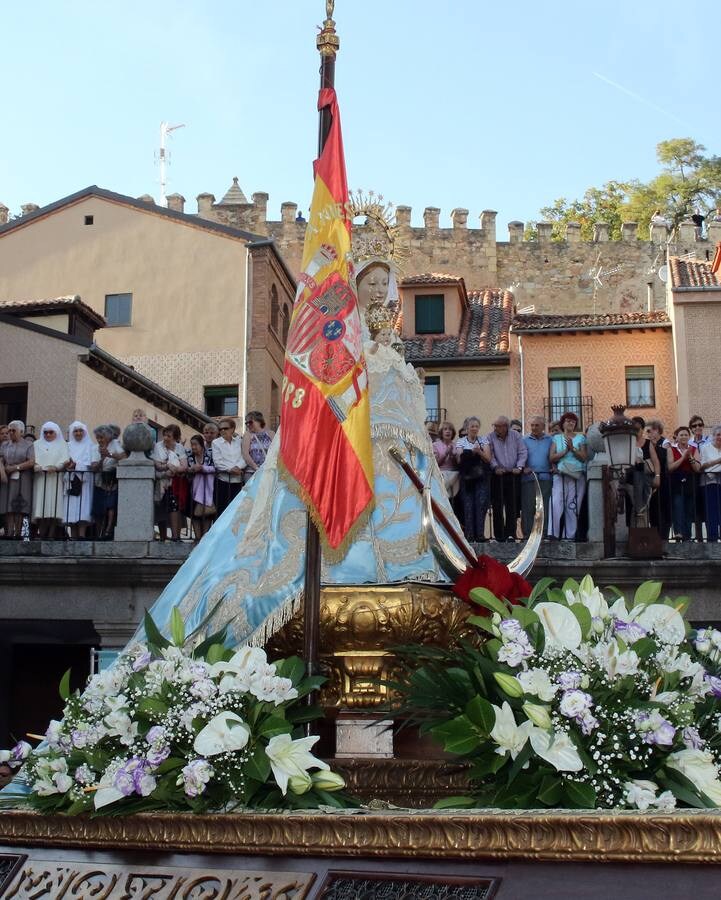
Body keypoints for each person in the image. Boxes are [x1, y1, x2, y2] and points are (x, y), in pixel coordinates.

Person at [136, 256, 467, 647]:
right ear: (354, 284)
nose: (379, 291)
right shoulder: (337, 333)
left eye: (384, 283)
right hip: (343, 458)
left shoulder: (387, 341)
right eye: (372, 282)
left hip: (397, 475)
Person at [548, 411, 587, 541]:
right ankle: (553, 533)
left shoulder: (581, 438)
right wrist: (565, 451)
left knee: (573, 505)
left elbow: (583, 457)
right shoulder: (556, 438)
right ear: (563, 423)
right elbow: (551, 457)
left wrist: (573, 449)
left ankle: (569, 536)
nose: (570, 423)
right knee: (555, 502)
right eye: (568, 420)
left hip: (576, 476)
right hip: (560, 474)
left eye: (573, 421)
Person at [487, 415, 527, 541]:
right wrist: (495, 467)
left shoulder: (515, 435)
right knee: (497, 506)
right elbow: (491, 454)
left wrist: (519, 467)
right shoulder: (490, 437)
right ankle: (499, 535)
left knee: (512, 506)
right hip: (498, 475)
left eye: (497, 426)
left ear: (505, 427)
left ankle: (510, 534)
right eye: (495, 426)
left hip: (513, 474)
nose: (495, 428)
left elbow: (522, 452)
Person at [454, 417, 491, 543]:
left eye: (476, 426)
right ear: (467, 428)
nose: (474, 428)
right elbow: (459, 459)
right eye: (472, 426)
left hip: (481, 478)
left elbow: (488, 458)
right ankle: (469, 535)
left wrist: (479, 452)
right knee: (468, 506)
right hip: (467, 478)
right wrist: (469, 454)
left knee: (480, 505)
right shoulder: (460, 441)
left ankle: (480, 535)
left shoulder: (483, 440)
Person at [32, 422, 70, 538]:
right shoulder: (36, 444)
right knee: (41, 508)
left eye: (51, 432)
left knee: (53, 507)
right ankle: (42, 534)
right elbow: (32, 458)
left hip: (55, 479)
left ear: (56, 432)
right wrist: (36, 466)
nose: (48, 435)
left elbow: (66, 460)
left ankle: (51, 535)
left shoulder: (63, 444)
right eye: (45, 432)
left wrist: (56, 467)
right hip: (40, 479)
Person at [63, 421, 98, 539]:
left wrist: (76, 465)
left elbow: (90, 463)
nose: (78, 433)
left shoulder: (90, 445)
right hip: (71, 480)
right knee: (71, 508)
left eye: (80, 431)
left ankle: (82, 536)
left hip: (84, 481)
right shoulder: (67, 446)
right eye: (75, 431)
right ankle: (73, 536)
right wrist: (69, 466)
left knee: (83, 508)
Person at [153, 426, 188, 541]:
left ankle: (175, 536)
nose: (166, 438)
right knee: (161, 508)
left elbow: (184, 466)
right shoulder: (158, 446)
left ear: (176, 438)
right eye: (165, 435)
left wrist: (174, 469)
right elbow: (157, 465)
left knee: (174, 507)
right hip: (161, 480)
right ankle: (163, 536)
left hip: (175, 482)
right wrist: (167, 466)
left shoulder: (179, 448)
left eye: (169, 436)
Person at [0, 420, 34, 538]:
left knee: (19, 505)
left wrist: (16, 467)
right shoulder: (5, 445)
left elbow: (31, 461)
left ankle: (18, 533)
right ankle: (9, 532)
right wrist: (3, 469)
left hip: (22, 477)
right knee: (8, 505)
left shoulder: (28, 445)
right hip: (8, 477)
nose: (11, 433)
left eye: (13, 430)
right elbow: (1, 458)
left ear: (21, 431)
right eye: (9, 430)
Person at [625, 416, 660, 528]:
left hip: (646, 479)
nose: (636, 431)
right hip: (630, 481)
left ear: (642, 429)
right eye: (634, 428)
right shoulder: (627, 444)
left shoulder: (648, 443)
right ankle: (634, 532)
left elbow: (656, 462)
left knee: (644, 506)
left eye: (638, 429)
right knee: (633, 506)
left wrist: (657, 476)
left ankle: (643, 530)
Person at [668, 426, 701, 541]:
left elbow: (697, 469)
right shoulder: (671, 449)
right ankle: (678, 533)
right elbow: (670, 467)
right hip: (677, 481)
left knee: (689, 509)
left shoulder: (694, 449)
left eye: (686, 435)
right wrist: (683, 458)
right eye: (681, 435)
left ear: (689, 437)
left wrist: (690, 457)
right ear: (676, 437)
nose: (683, 437)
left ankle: (687, 536)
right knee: (678, 507)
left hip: (690, 481)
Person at [522, 416, 553, 538]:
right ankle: (528, 533)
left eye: (537, 425)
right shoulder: (524, 440)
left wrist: (553, 466)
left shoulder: (550, 440)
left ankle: (544, 533)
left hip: (545, 477)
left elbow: (553, 455)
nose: (534, 428)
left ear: (543, 427)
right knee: (528, 506)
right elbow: (520, 456)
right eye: (532, 425)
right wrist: (523, 467)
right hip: (529, 478)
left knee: (544, 506)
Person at [91, 425, 123, 540]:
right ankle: (99, 532)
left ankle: (108, 530)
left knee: (111, 506)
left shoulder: (115, 444)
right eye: (97, 437)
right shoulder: (94, 448)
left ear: (108, 437)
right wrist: (102, 458)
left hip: (112, 479)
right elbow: (94, 467)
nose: (99, 440)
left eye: (101, 437)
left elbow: (123, 457)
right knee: (99, 508)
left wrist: (110, 454)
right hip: (100, 479)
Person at [212, 418, 245, 516]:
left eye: (225, 428)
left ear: (232, 429)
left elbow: (244, 457)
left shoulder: (239, 441)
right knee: (222, 512)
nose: (222, 431)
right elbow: (217, 462)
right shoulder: (216, 443)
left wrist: (238, 467)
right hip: (223, 481)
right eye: (220, 429)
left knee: (237, 512)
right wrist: (231, 470)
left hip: (238, 481)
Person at [187, 433, 216, 543]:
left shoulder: (210, 454)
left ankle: (205, 538)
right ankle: (197, 537)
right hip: (194, 488)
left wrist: (203, 468)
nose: (193, 447)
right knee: (195, 514)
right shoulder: (189, 455)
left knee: (207, 514)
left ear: (201, 445)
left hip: (208, 488)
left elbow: (215, 467)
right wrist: (191, 470)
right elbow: (188, 468)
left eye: (195, 444)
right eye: (192, 445)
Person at [647, 419, 671, 540]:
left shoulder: (665, 443)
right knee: (653, 510)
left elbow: (665, 460)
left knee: (664, 510)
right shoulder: (648, 445)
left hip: (663, 481)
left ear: (657, 431)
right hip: (651, 482)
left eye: (651, 431)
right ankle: (654, 537)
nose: (649, 434)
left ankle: (664, 537)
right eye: (648, 432)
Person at [698, 426, 721, 541]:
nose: (720, 437)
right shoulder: (705, 448)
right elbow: (702, 466)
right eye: (718, 434)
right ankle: (712, 539)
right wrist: (717, 462)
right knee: (711, 512)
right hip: (709, 483)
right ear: (713, 436)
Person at [689, 416, 708, 540]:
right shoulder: (688, 442)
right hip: (694, 479)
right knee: (696, 508)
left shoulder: (709, 441)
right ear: (691, 429)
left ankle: (712, 537)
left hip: (708, 478)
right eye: (694, 426)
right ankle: (699, 538)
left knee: (708, 507)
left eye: (700, 425)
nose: (698, 427)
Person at [241, 412, 275, 481]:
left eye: (250, 422)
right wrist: (256, 468)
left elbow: (276, 451)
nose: (248, 425)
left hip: (269, 472)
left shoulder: (271, 434)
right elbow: (245, 454)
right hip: (253, 473)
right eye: (246, 423)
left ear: (259, 421)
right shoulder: (248, 435)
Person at [433, 421, 460, 500]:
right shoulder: (435, 445)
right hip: (440, 475)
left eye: (450, 429)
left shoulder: (457, 445)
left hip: (454, 476)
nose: (448, 431)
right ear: (441, 432)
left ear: (453, 433)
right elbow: (435, 463)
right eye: (445, 429)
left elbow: (458, 464)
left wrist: (452, 455)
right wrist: (445, 454)